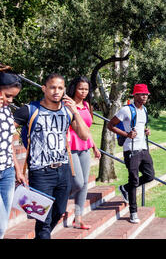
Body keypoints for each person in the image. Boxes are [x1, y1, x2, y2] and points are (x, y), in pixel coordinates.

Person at [13, 73, 90, 239]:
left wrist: (76, 112)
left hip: (63, 170)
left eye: (60, 88)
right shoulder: (29, 110)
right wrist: (17, 168)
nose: (57, 91)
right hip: (40, 173)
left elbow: (84, 135)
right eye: (53, 87)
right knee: (43, 221)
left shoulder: (68, 112)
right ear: (44, 89)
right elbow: (4, 133)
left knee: (60, 211)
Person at [107, 84, 154, 224]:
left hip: (144, 148)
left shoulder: (144, 109)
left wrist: (146, 131)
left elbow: (140, 126)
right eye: (142, 94)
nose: (145, 96)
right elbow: (111, 125)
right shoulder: (126, 110)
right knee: (134, 180)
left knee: (150, 176)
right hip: (131, 150)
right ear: (135, 95)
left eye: (146, 94)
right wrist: (126, 134)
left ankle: (125, 188)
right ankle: (133, 212)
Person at [67, 76, 101, 230]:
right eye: (81, 88)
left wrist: (94, 146)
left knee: (85, 184)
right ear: (74, 88)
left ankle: (78, 218)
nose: (83, 92)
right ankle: (60, 198)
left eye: (86, 89)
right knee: (78, 182)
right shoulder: (68, 104)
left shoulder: (87, 105)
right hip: (70, 147)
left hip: (85, 147)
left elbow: (87, 128)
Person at [0, 66, 27, 239]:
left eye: (13, 97)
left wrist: (17, 170)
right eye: (7, 95)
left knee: (3, 224)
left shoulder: (6, 110)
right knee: (0, 222)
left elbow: (9, 142)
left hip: (8, 172)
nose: (10, 100)